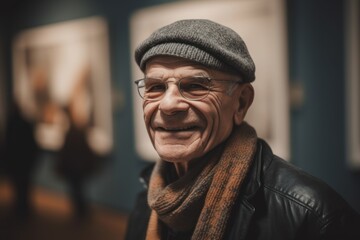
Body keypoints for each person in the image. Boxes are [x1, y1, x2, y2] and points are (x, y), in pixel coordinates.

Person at [125, 19, 360, 240]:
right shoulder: (146, 200)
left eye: (195, 86)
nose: (168, 105)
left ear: (241, 103)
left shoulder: (313, 214)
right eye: (155, 87)